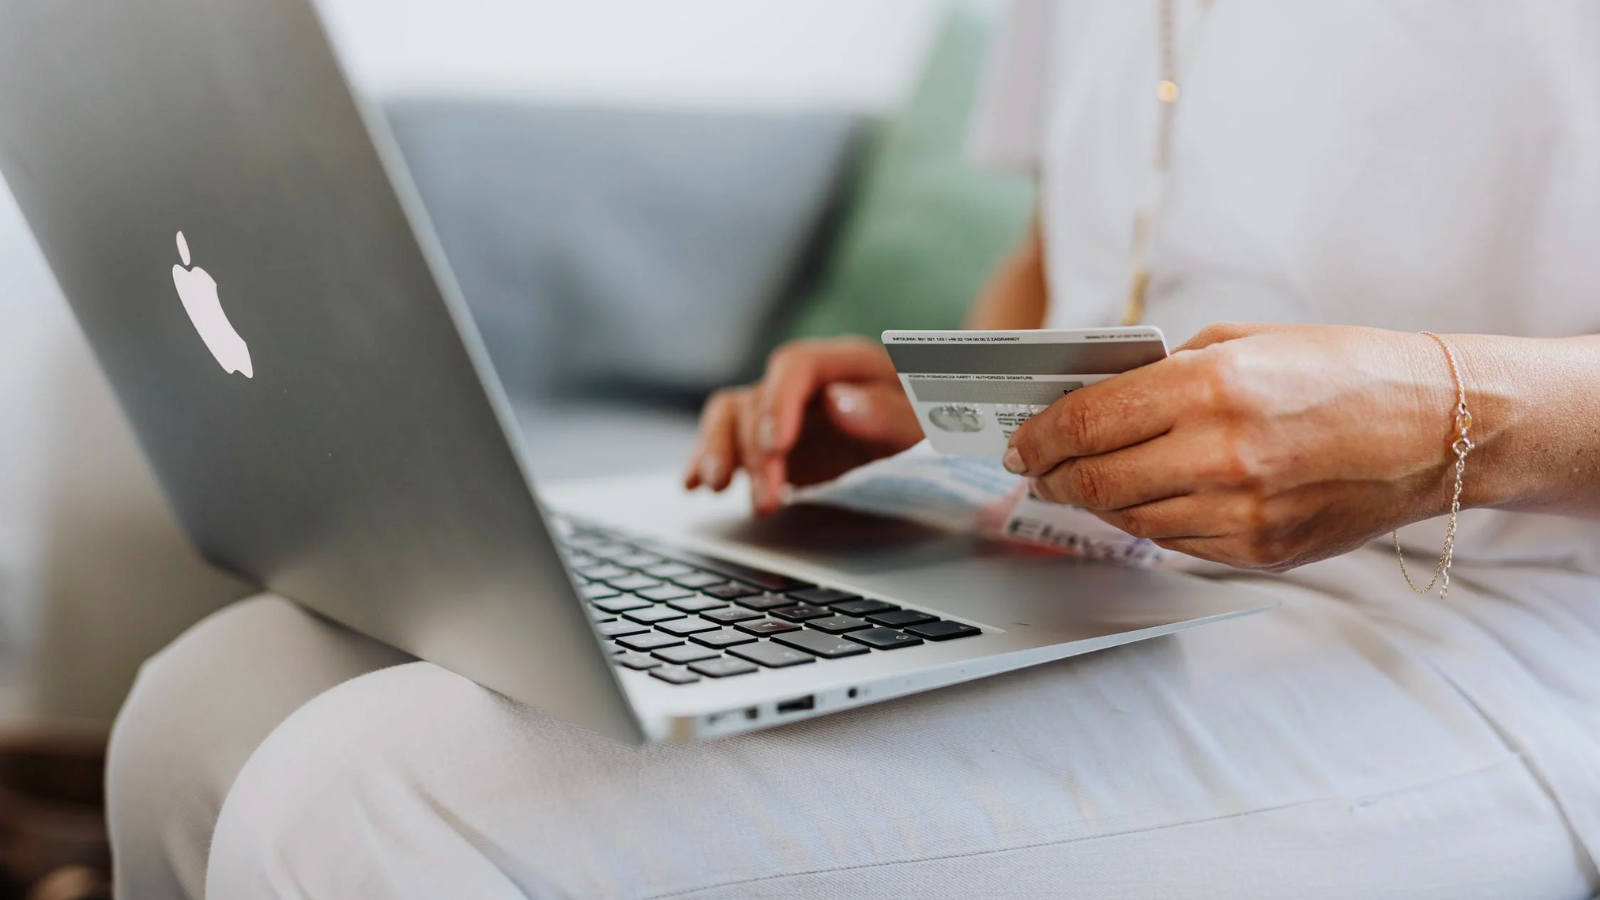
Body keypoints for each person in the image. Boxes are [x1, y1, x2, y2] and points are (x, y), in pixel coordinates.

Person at [108, 2, 1600, 898]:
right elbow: (1068, 249)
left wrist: (1446, 412)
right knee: (210, 704)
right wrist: (965, 402)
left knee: (366, 801)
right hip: (1092, 547)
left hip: (1483, 621)